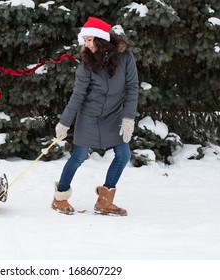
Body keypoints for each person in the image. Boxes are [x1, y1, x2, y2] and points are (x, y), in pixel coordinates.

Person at [52, 17, 139, 215]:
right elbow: (78, 95)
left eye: (90, 39)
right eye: (85, 40)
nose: (87, 44)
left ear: (101, 39)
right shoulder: (86, 66)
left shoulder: (125, 58)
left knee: (124, 155)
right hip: (89, 116)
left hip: (114, 114)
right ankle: (60, 198)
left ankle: (104, 201)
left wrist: (128, 118)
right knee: (78, 157)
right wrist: (64, 123)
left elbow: (132, 87)